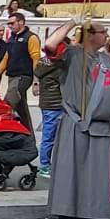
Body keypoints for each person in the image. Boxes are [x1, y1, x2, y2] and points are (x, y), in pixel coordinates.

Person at [44, 19, 110, 219]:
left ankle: (95, 212)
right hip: (76, 120)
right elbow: (50, 46)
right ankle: (66, 211)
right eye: (103, 32)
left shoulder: (105, 59)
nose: (106, 36)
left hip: (101, 123)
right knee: (71, 169)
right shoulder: (72, 54)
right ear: (90, 34)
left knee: (96, 171)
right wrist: (71, 23)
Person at [0, 12, 41, 128]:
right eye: (8, 24)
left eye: (12, 23)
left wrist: (36, 81)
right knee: (22, 109)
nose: (9, 26)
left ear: (21, 22)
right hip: (12, 76)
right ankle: (29, 137)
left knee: (8, 102)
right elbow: (6, 58)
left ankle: (1, 130)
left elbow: (36, 59)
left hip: (23, 76)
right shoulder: (12, 38)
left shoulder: (31, 37)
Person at [32, 41, 66, 179]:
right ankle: (45, 165)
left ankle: (46, 164)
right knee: (50, 136)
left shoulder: (42, 63)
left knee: (49, 135)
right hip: (56, 103)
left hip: (47, 103)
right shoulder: (59, 66)